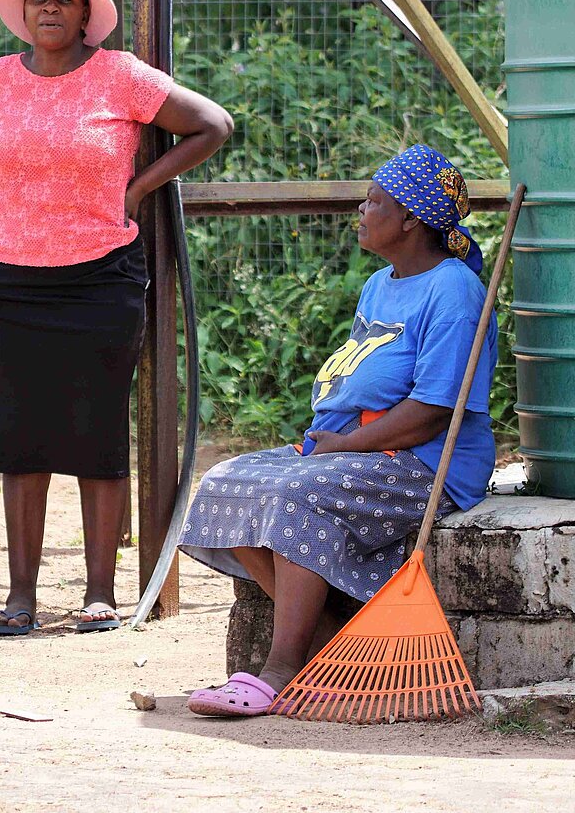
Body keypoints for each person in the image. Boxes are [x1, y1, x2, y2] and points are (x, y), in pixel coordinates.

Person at [0, 0, 233, 635]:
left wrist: (140, 186)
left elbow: (214, 124)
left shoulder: (119, 77)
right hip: (11, 279)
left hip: (99, 278)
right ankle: (21, 595)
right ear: (24, 13)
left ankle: (99, 593)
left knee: (97, 434)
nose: (51, 6)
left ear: (88, 14)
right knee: (19, 434)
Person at [181, 144, 497, 716]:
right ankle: (335, 645)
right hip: (353, 447)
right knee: (226, 481)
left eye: (374, 200)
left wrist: (345, 446)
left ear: (409, 219)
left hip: (424, 463)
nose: (360, 208)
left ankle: (279, 671)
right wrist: (332, 441)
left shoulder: (453, 292)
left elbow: (433, 412)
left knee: (299, 497)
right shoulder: (380, 284)